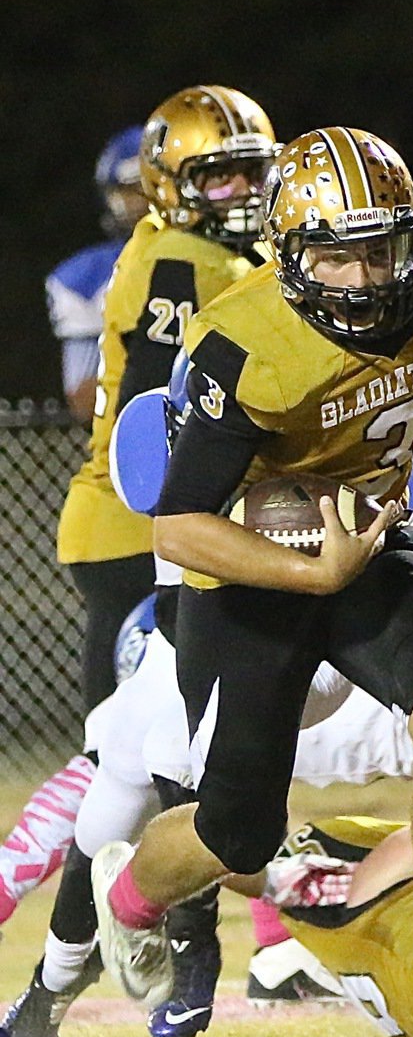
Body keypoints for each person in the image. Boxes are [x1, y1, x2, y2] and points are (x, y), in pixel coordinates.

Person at [89, 126, 413, 1037]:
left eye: (380, 251)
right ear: (291, 259)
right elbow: (178, 526)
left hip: (369, 532)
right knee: (235, 834)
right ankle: (128, 898)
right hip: (253, 568)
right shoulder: (242, 346)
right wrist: (307, 569)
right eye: (336, 259)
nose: (364, 279)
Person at [56, 87, 277, 715]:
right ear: (170, 186)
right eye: (217, 176)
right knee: (136, 748)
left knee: (160, 747)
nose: (240, 191)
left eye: (251, 172)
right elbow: (154, 418)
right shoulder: (182, 262)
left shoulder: (203, 251)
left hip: (156, 526)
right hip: (141, 526)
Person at [45, 125, 149, 422]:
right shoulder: (86, 279)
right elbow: (86, 400)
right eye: (132, 189)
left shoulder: (223, 257)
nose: (143, 200)